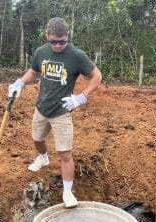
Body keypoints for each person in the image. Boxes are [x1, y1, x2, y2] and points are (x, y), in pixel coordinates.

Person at [8, 17, 102, 208]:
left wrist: (81, 96)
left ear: (67, 36)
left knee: (65, 153)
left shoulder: (76, 55)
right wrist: (20, 82)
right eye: (53, 41)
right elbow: (34, 72)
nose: (57, 45)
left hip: (61, 112)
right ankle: (43, 158)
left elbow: (96, 76)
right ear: (47, 36)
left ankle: (67, 192)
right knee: (37, 139)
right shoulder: (41, 52)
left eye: (61, 41)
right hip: (41, 108)